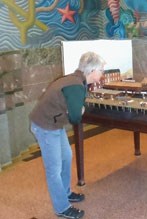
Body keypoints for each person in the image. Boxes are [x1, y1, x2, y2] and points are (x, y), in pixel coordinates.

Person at [30, 51, 105, 218]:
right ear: (92, 71)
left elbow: (76, 104)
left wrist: (79, 107)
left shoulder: (75, 80)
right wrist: (81, 109)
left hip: (54, 124)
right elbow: (76, 117)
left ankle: (66, 192)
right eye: (101, 70)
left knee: (66, 156)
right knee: (53, 169)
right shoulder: (75, 85)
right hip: (45, 126)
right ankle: (62, 208)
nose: (102, 74)